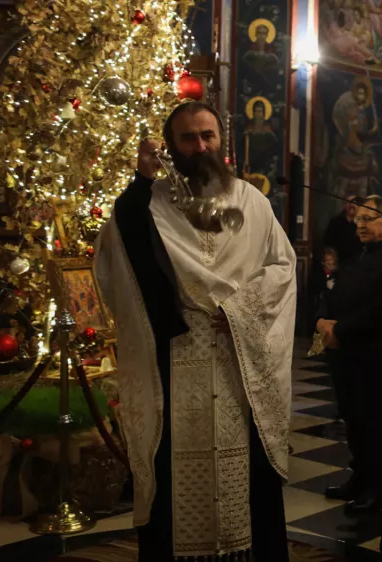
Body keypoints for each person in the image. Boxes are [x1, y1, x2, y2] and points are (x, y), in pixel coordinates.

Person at [95, 102, 297, 561]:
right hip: (174, 363)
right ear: (171, 145)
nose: (200, 146)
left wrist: (239, 307)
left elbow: (282, 268)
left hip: (239, 363)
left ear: (221, 139)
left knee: (247, 476)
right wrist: (140, 182)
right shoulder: (149, 203)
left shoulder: (253, 202)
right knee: (173, 475)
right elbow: (120, 258)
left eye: (207, 135)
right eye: (188, 138)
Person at [315, 196, 382, 514]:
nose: (359, 224)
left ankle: (379, 488)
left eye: (367, 219)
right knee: (353, 419)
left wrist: (341, 329)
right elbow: (334, 289)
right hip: (345, 351)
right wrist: (321, 319)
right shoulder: (359, 254)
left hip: (373, 353)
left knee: (372, 422)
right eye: (358, 219)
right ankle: (360, 478)